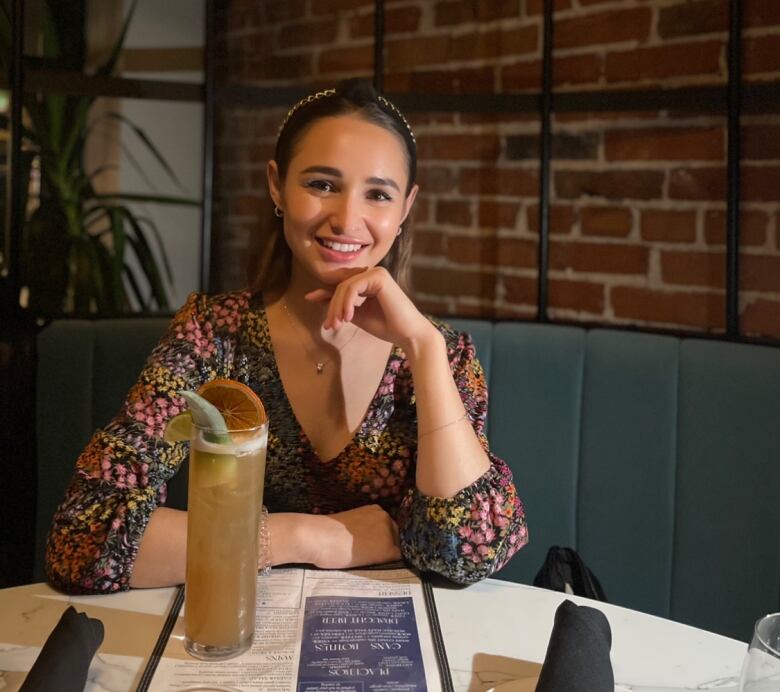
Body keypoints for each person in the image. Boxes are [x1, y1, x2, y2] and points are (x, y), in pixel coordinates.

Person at [45, 78, 528, 594]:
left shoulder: (443, 356)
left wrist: (423, 346)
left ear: (405, 208)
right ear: (277, 185)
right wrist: (306, 537)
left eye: (378, 194)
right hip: (242, 629)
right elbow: (83, 535)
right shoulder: (214, 335)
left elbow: (467, 550)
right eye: (322, 184)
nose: (346, 219)